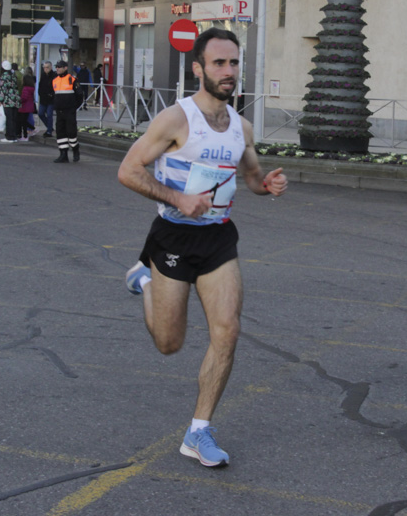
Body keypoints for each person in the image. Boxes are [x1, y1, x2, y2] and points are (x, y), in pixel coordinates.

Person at [117, 28, 289, 468]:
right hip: (173, 236)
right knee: (169, 343)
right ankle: (147, 283)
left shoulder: (242, 127)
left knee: (226, 330)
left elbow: (250, 177)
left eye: (234, 63)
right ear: (199, 69)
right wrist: (179, 199)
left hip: (218, 239)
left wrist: (265, 185)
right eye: (219, 64)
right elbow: (129, 171)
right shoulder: (176, 119)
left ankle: (199, 431)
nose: (229, 72)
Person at [51, 61, 81, 162]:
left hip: (69, 111)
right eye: (56, 67)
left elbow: (79, 95)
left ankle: (75, 149)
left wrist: (73, 107)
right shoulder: (55, 80)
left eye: (59, 67)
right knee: (60, 133)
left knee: (71, 132)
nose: (57, 69)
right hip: (59, 111)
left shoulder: (72, 80)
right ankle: (63, 154)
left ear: (65, 68)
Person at [0, 60, 21, 143]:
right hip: (16, 98)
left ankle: (9, 136)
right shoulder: (13, 75)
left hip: (8, 99)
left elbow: (3, 89)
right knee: (14, 118)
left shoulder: (4, 76)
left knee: (9, 119)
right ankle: (14, 136)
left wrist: (0, 100)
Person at [37, 61, 57, 137]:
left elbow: (55, 87)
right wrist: (40, 93)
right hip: (43, 98)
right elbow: (40, 85)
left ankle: (49, 131)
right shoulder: (43, 75)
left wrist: (52, 94)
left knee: (49, 114)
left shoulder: (54, 75)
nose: (45, 69)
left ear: (51, 67)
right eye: (44, 67)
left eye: (47, 67)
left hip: (50, 99)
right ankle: (50, 127)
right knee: (41, 113)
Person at [18, 73, 36, 141]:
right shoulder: (31, 88)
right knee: (25, 121)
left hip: (24, 107)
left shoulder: (25, 88)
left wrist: (19, 100)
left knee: (23, 122)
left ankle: (25, 136)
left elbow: (24, 98)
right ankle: (31, 130)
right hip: (29, 106)